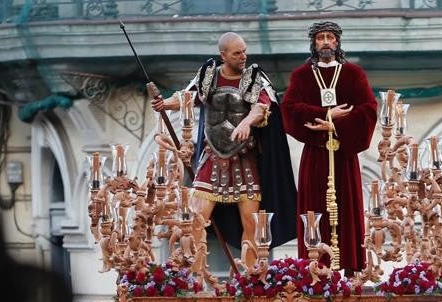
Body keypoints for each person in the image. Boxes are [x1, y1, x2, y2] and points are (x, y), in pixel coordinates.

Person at [153, 32, 297, 266]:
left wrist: (246, 122)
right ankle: (196, 277)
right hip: (212, 159)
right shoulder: (209, 76)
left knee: (251, 224)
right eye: (237, 53)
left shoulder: (254, 78)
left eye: (244, 51)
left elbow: (262, 106)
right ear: (223, 55)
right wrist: (165, 103)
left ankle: (250, 278)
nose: (243, 56)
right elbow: (187, 97)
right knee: (196, 221)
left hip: (244, 160)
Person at [282, 21, 378, 273]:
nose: (325, 42)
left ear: (337, 42)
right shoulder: (301, 76)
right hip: (315, 156)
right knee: (315, 211)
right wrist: (327, 115)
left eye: (330, 37)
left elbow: (367, 110)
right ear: (314, 43)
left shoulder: (353, 75)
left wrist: (332, 126)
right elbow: (290, 110)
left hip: (343, 156)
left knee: (346, 209)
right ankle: (315, 268)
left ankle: (348, 269)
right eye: (320, 38)